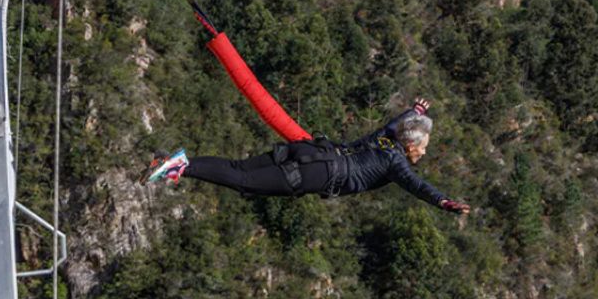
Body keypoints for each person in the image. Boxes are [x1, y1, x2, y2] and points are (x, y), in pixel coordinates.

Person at [143, 98, 471, 215]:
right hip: (319, 174)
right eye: (424, 145)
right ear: (411, 144)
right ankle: (180, 167)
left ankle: (179, 164)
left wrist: (412, 111)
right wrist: (442, 202)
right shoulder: (396, 161)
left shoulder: (384, 139)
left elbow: (393, 124)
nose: (424, 151)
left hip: (315, 149)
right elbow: (416, 186)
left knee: (239, 168)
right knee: (244, 181)